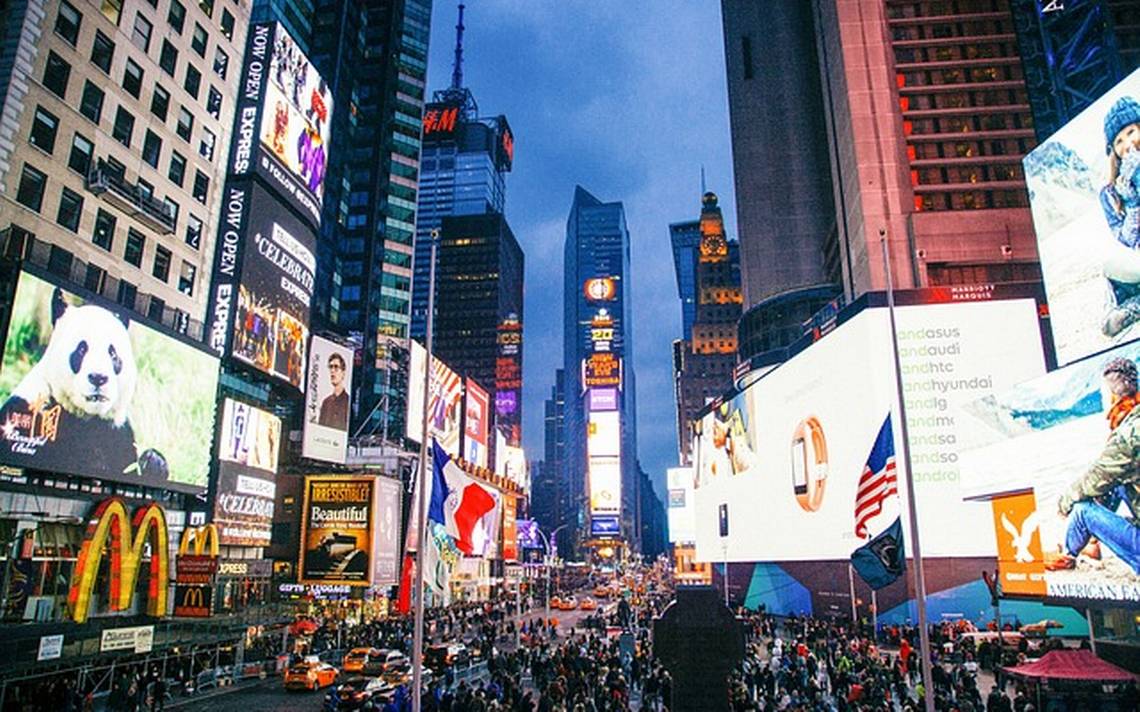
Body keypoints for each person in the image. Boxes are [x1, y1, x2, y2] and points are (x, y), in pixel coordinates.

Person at [1047, 357, 1140, 574]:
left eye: (1103, 395)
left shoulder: (1128, 437)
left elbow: (1093, 479)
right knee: (1114, 484)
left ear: (1113, 396)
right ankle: (1091, 546)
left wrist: (1063, 504)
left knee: (1081, 510)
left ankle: (1068, 555)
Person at [1099, 96, 1140, 336]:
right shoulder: (1110, 193)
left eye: (1131, 132)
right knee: (1111, 264)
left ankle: (1134, 308)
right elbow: (1125, 242)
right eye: (1118, 140)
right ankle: (1117, 310)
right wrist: (1133, 204)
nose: (1126, 144)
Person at [318, 352, 349, 429]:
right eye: (330, 367)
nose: (332, 371)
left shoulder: (348, 401)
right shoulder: (326, 402)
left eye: (336, 367)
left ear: (343, 373)